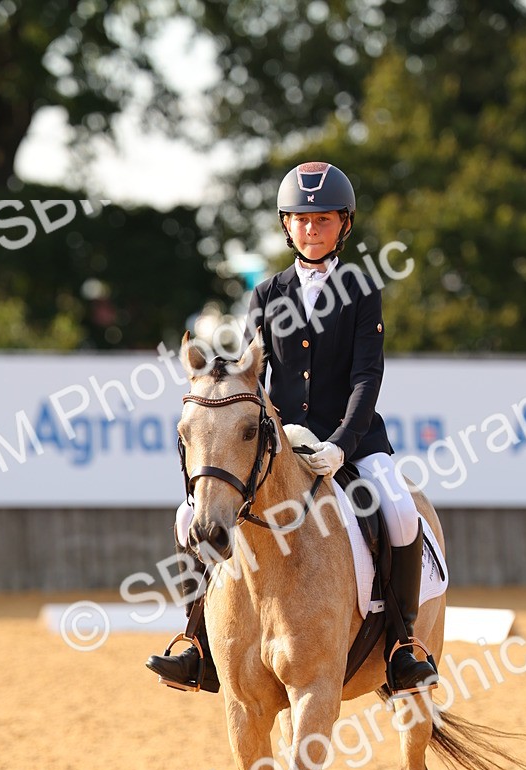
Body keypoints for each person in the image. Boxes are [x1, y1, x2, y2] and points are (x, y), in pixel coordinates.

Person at [147, 160, 435, 694]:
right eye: (301, 220)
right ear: (286, 225)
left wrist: (342, 447)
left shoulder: (361, 290)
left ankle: (401, 647)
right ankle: (196, 642)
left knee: (398, 510)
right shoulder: (267, 293)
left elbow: (366, 378)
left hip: (351, 438)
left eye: (322, 220)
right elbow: (256, 372)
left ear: (343, 225)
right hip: (281, 442)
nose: (311, 229)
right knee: (196, 514)